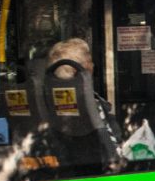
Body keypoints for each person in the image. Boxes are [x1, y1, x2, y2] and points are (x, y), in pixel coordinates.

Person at [46, 38, 122, 166]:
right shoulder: (89, 104)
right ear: (79, 71)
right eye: (89, 62)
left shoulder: (49, 100)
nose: (93, 65)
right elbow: (113, 150)